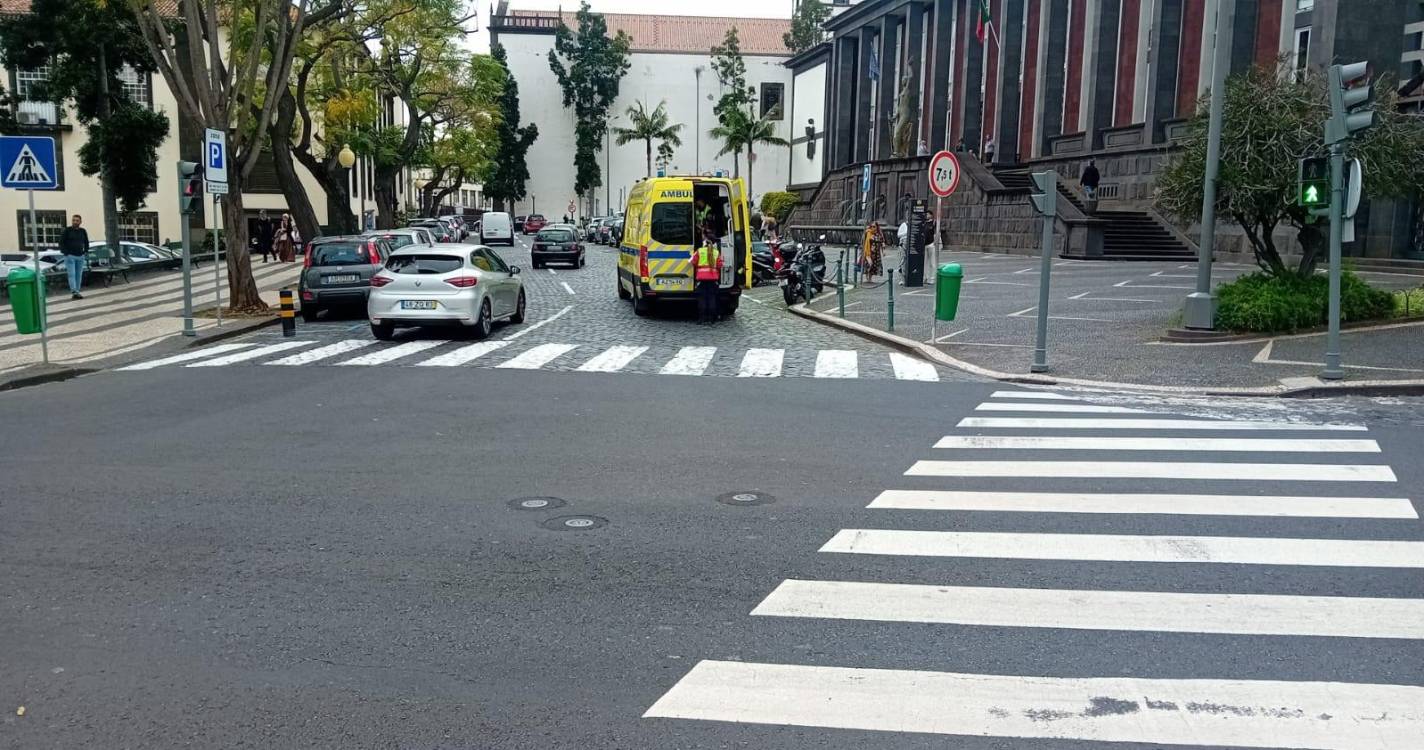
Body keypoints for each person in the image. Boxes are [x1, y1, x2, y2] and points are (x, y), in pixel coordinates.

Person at [691, 230, 723, 324]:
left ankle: (702, 318)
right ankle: (711, 319)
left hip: (701, 278)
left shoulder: (699, 251)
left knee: (702, 298)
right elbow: (720, 265)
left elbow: (693, 262)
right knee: (712, 298)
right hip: (713, 279)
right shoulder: (716, 252)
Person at [57, 214, 89, 300]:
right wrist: (65, 253)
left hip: (80, 256)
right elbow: (61, 242)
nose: (75, 222)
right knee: (72, 274)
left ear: (80, 222)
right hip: (70, 256)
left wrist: (85, 251)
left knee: (79, 274)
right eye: (73, 220)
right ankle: (74, 291)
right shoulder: (67, 230)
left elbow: (86, 242)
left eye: (77, 220)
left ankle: (77, 291)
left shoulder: (83, 231)